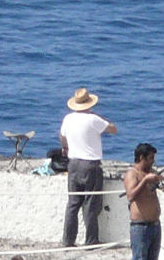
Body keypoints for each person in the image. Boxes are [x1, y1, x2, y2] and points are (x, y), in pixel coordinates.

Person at [60, 88, 118, 247]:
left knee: (73, 203)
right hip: (91, 165)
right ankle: (91, 240)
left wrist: (66, 148)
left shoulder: (68, 118)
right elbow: (113, 129)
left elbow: (62, 136)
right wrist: (98, 115)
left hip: (73, 164)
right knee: (91, 204)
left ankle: (68, 240)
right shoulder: (94, 119)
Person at [124, 143, 164, 260]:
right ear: (142, 158)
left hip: (155, 225)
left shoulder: (152, 173)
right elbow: (131, 196)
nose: (153, 161)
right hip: (141, 227)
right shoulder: (132, 174)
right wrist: (145, 181)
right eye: (151, 158)